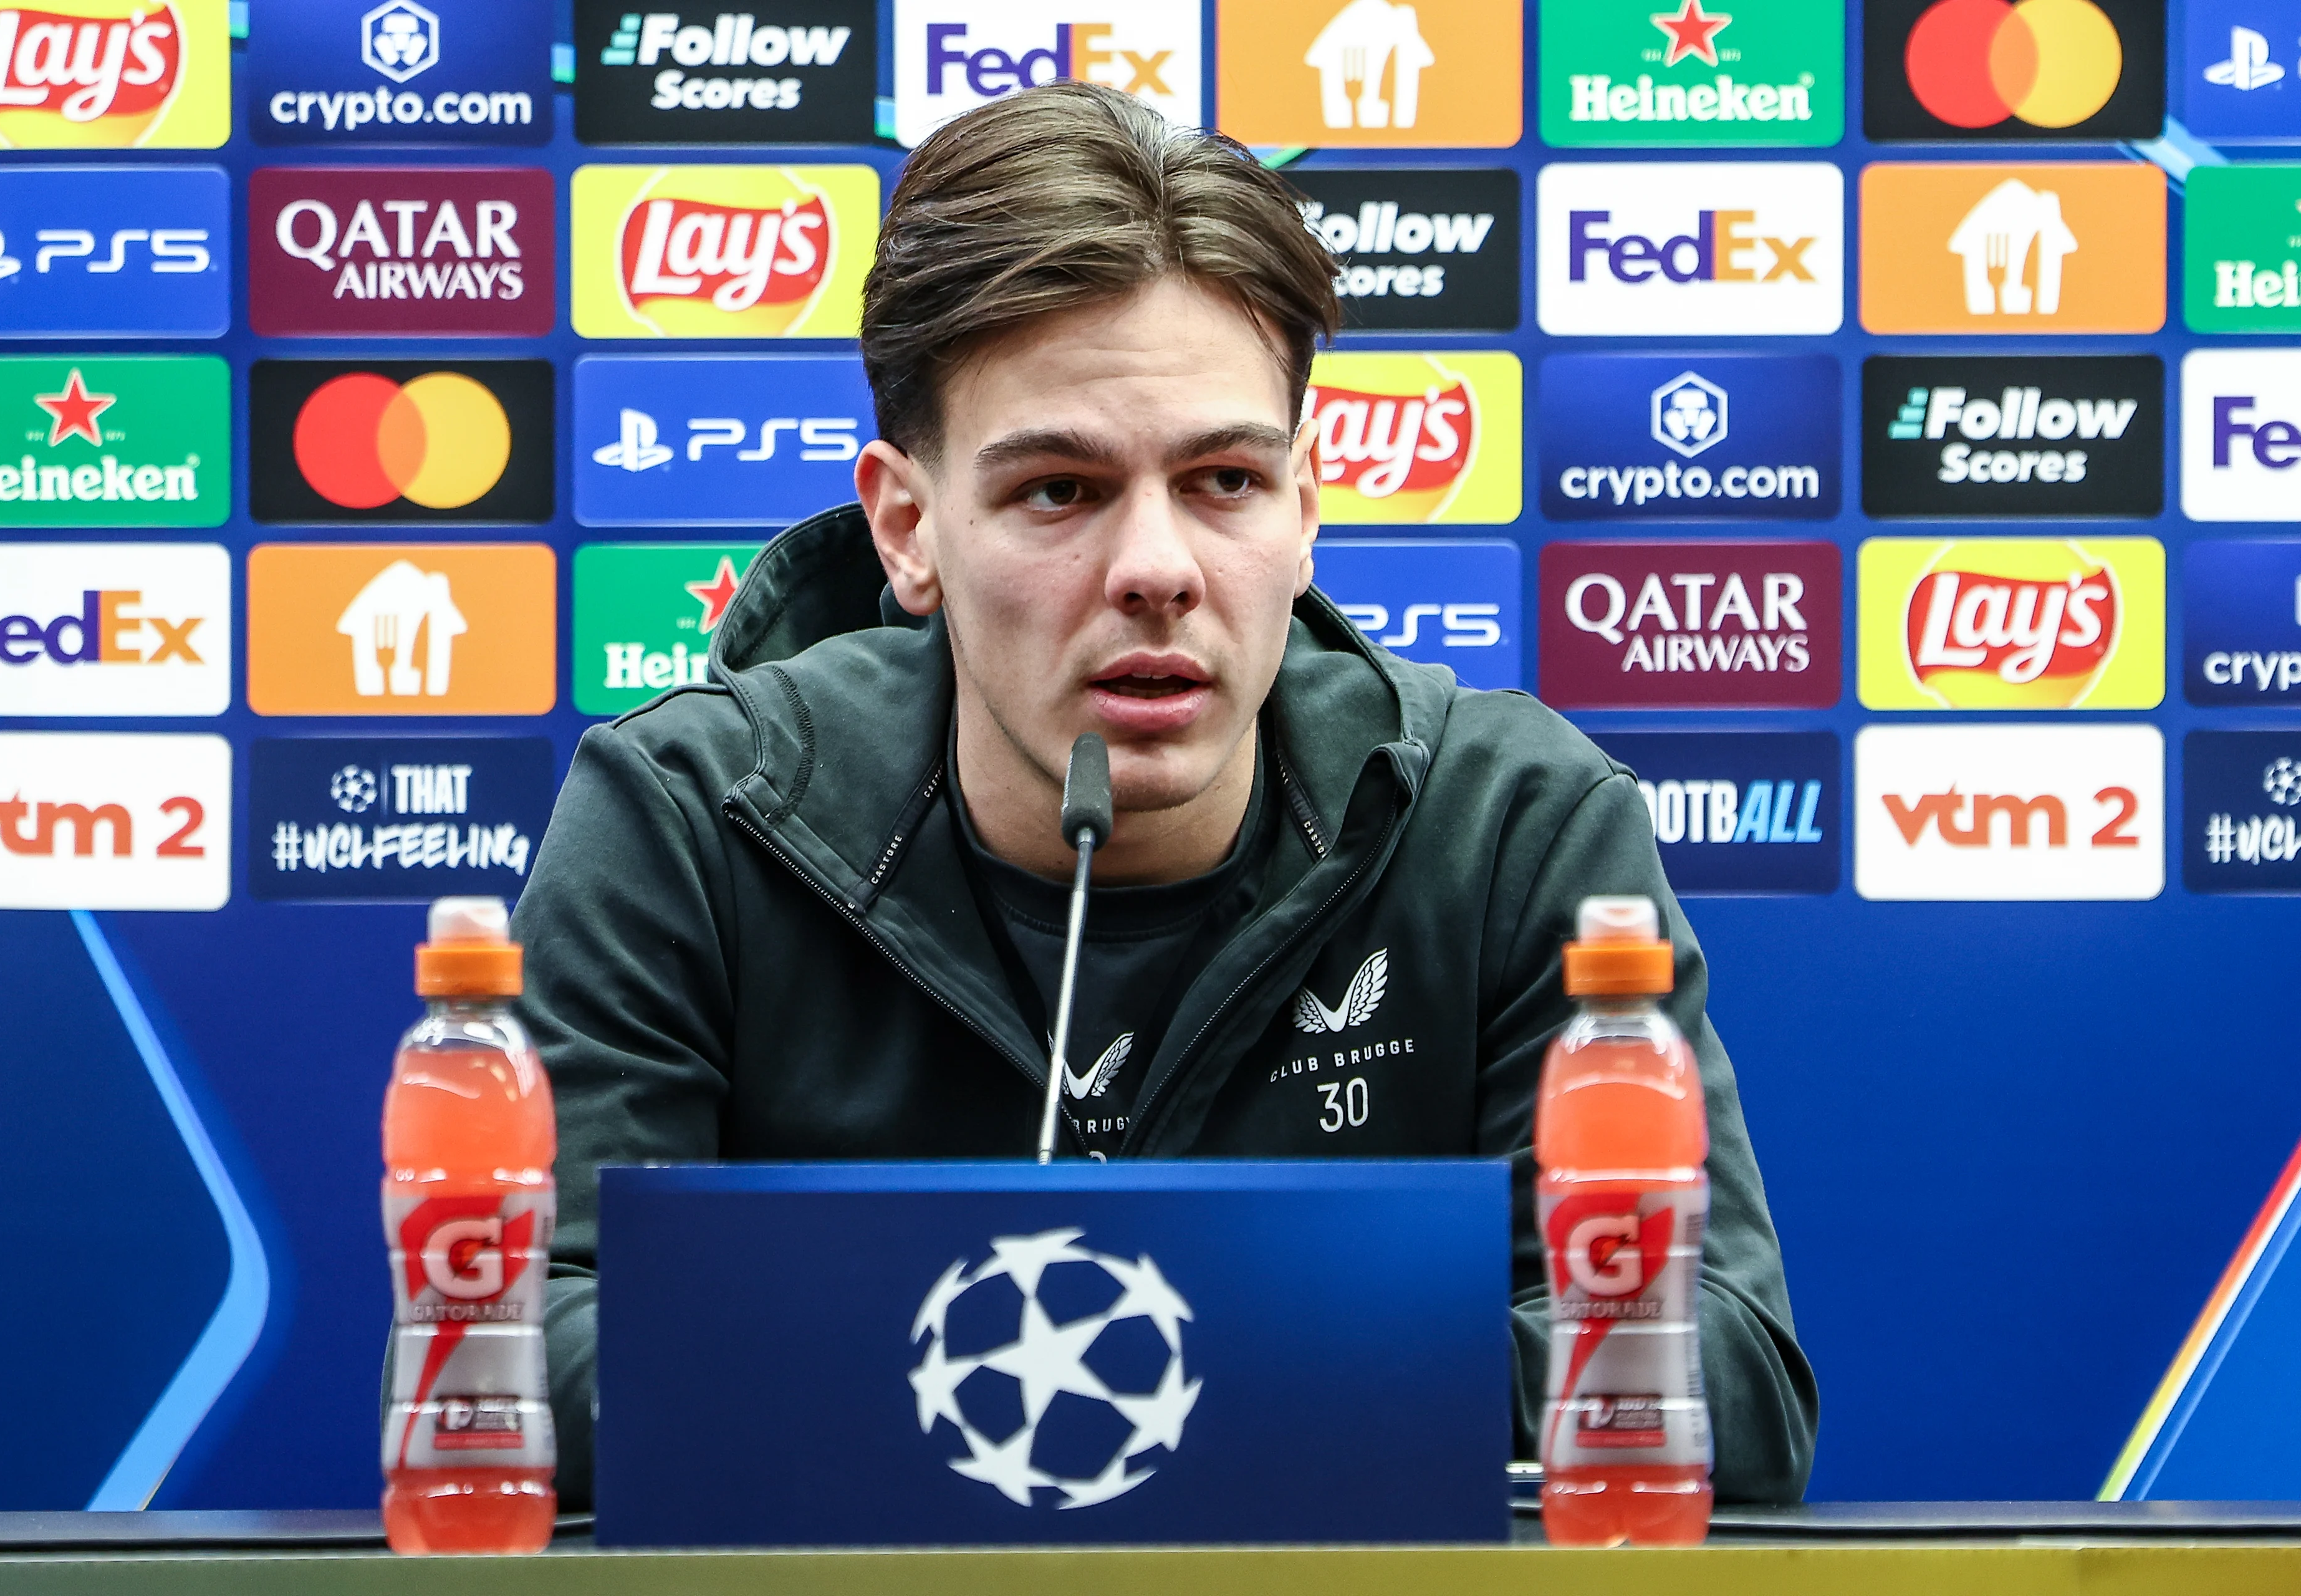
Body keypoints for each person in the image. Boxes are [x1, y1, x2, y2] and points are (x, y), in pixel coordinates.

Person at [514, 81, 1817, 1509]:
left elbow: (1716, 1378)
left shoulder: (1511, 830)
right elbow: (500, 1364)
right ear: (908, 526)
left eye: (1223, 479)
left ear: (1307, 508)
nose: (1160, 566)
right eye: (1061, 491)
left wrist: (1069, 1361)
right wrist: (1272, 1350)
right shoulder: (694, 820)